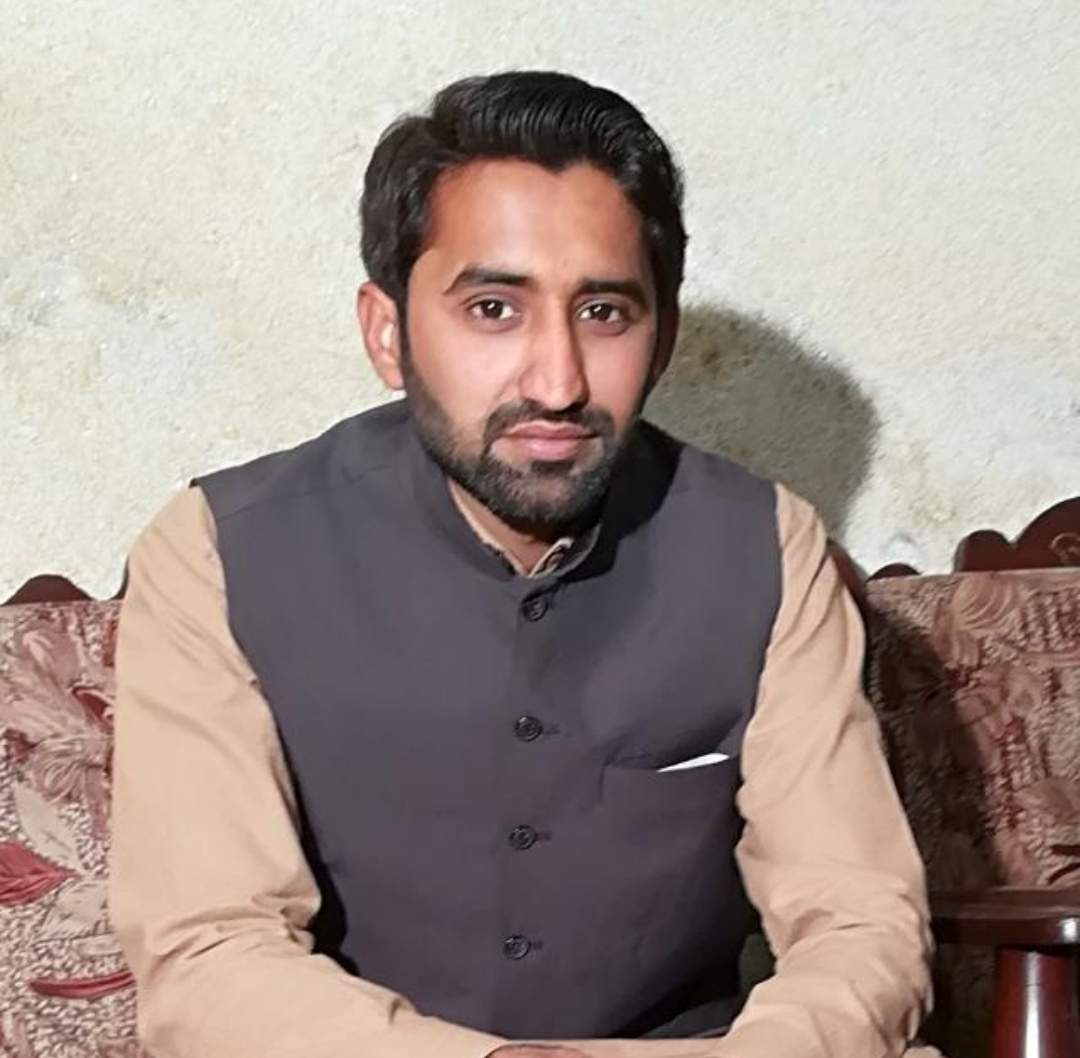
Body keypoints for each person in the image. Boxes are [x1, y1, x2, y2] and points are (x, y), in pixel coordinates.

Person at [109, 71, 936, 1058]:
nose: (557, 380)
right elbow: (209, 952)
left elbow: (860, 924)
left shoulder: (767, 545)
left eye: (605, 312)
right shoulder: (217, 549)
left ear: (663, 334)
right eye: (494, 308)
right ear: (387, 332)